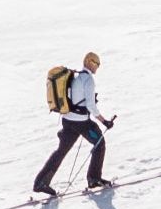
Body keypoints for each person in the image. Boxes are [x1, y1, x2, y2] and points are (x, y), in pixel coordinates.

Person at [34, 50, 114, 196]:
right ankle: (94, 178)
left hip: (68, 121)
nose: (98, 67)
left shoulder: (75, 76)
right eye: (97, 63)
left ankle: (41, 182)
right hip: (81, 123)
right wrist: (105, 121)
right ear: (90, 62)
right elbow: (90, 105)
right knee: (99, 143)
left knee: (61, 151)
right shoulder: (88, 80)